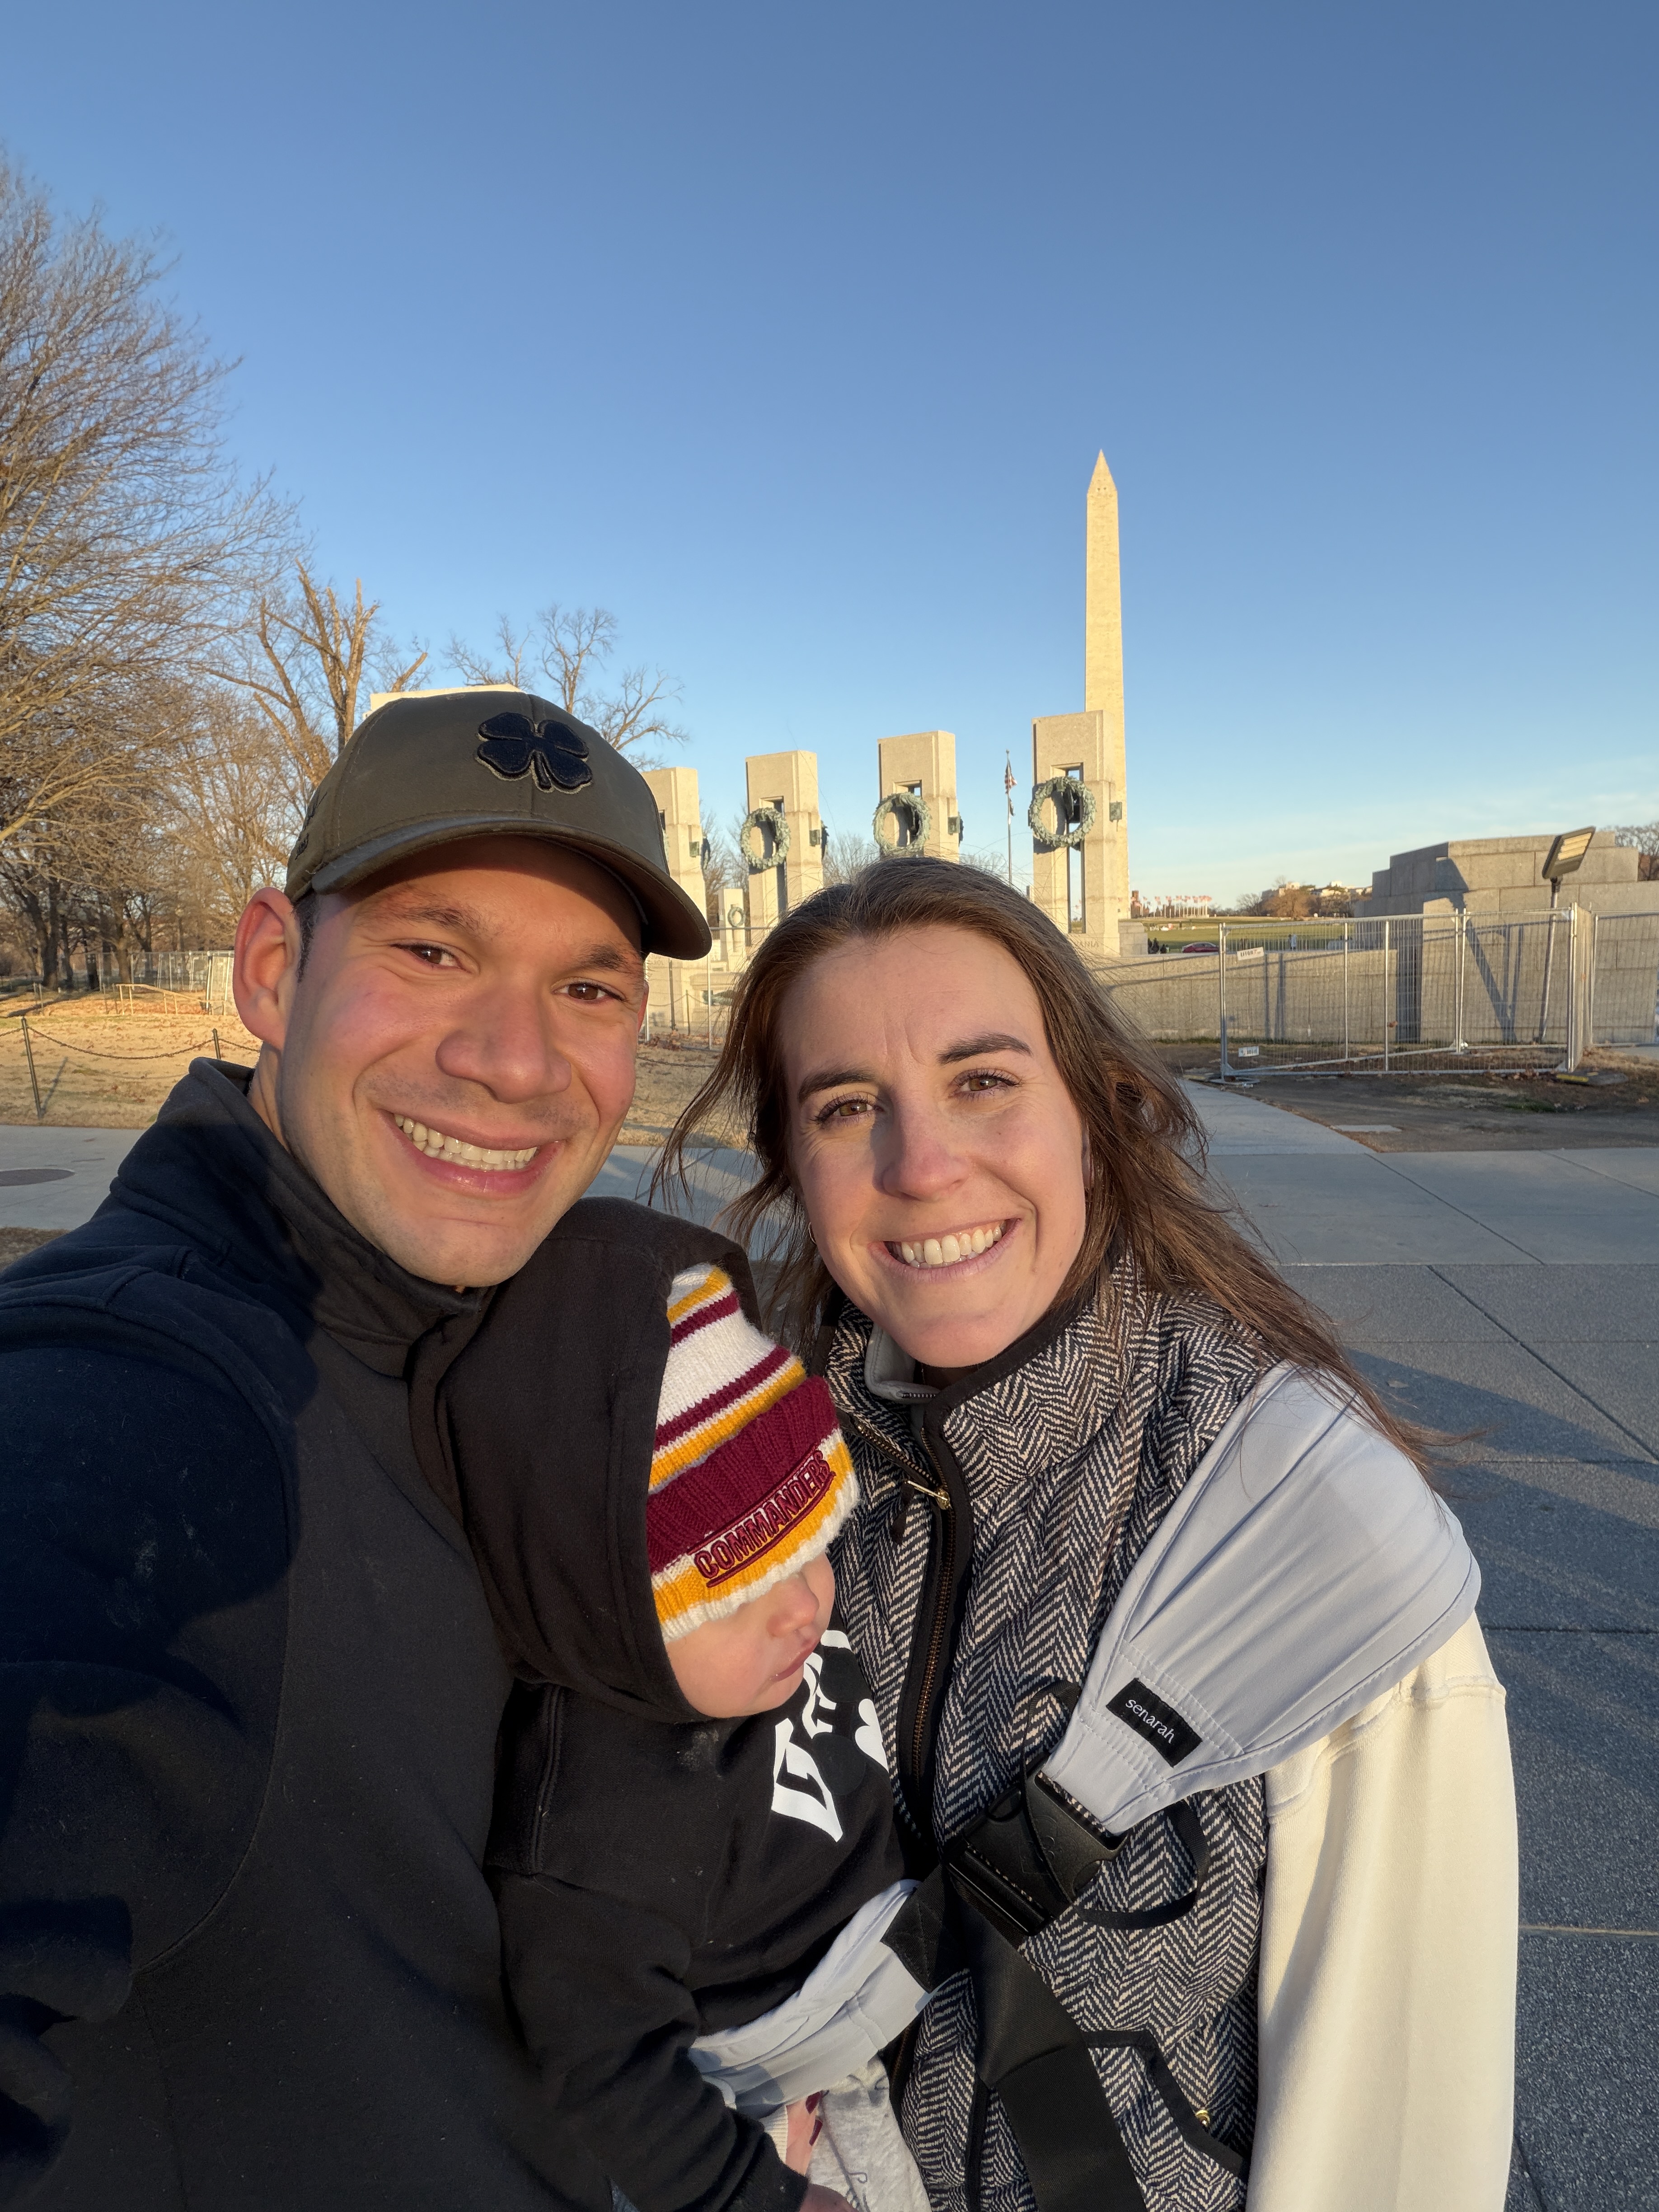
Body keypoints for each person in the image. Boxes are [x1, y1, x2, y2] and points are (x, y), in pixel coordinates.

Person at [661, 856, 1518, 2212]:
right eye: (847, 1106)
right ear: (791, 1163)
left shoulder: (1319, 1529)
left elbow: (1395, 2132)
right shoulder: (740, 1480)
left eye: (983, 1081)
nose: (921, 1165)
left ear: (1096, 1111)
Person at [0, 688, 713, 2210]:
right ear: (273, 968)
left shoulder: (499, 1344)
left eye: (588, 986)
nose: (516, 1061)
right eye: (433, 951)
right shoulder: (136, 1404)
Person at [441, 1255, 933, 2212]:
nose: (803, 1608)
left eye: (813, 1546)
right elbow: (604, 2071)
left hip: (878, 1985)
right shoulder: (595, 1836)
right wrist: (754, 2193)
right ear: (606, 1616)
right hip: (762, 2103)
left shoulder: (751, 1648)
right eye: (740, 1593)